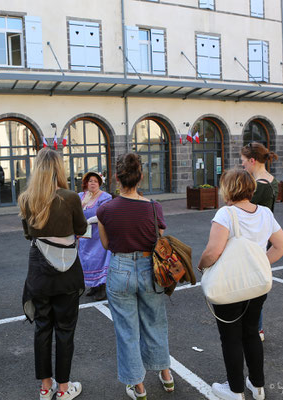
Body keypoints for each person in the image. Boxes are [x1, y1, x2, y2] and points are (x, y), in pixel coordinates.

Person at [197, 168, 283, 400]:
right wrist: (259, 265)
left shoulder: (226, 214)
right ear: (250, 187)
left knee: (231, 337)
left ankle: (235, 390)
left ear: (228, 188)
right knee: (250, 334)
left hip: (231, 285)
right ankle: (257, 387)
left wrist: (201, 266)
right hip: (256, 285)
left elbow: (213, 252)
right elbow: (282, 246)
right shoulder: (265, 213)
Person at [97, 153, 173, 400]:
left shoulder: (105, 209)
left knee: (127, 330)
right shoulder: (154, 207)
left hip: (120, 268)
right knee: (155, 322)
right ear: (141, 177)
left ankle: (138, 386)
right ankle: (166, 374)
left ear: (117, 178)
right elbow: (159, 237)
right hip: (149, 268)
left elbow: (107, 244)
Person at [19, 148, 87, 400]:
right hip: (66, 270)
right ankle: (64, 387)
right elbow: (81, 227)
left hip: (38, 270)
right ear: (59, 169)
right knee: (66, 329)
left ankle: (45, 387)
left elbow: (28, 234)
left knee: (42, 327)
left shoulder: (27, 198)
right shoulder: (69, 197)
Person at [241, 142, 279, 341]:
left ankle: (256, 328)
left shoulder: (260, 185)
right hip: (262, 236)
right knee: (255, 284)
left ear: (253, 160)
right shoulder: (271, 181)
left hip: (251, 238)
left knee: (251, 287)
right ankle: (256, 327)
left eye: (244, 162)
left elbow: (245, 209)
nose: (243, 166)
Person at [78, 172, 112, 301]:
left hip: (99, 234)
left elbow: (104, 213)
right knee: (87, 260)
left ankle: (102, 288)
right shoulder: (80, 196)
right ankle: (93, 287)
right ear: (86, 183)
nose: (92, 183)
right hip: (85, 235)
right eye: (90, 181)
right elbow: (74, 211)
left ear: (99, 183)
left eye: (95, 181)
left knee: (99, 259)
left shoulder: (105, 197)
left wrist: (90, 220)